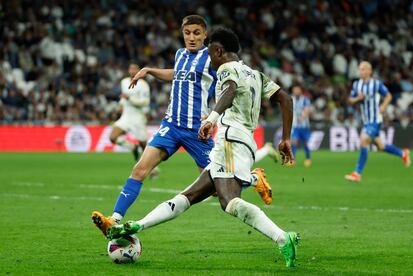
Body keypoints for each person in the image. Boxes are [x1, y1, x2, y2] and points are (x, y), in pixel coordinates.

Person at [107, 28, 299, 268]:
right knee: (190, 195)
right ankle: (136, 226)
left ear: (218, 51)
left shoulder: (227, 69)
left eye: (211, 54)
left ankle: (283, 237)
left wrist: (211, 119)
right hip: (246, 142)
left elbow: (229, 89)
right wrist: (286, 138)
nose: (210, 59)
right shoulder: (256, 74)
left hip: (230, 139)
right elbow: (286, 99)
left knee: (229, 201)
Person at [92, 15, 273, 237]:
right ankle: (114, 219)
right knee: (140, 169)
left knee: (218, 189)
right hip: (171, 126)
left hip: (196, 131)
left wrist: (213, 114)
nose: (191, 37)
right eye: (187, 33)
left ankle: (254, 178)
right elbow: (175, 74)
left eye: (197, 33)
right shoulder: (180, 54)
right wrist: (149, 70)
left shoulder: (212, 59)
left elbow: (229, 85)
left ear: (205, 35)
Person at [345, 61, 411, 182]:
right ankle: (403, 154)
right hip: (366, 120)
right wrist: (357, 99)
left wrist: (384, 106)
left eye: (364, 69)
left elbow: (389, 96)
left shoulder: (376, 84)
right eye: (360, 69)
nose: (361, 71)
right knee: (381, 146)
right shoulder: (356, 85)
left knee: (363, 140)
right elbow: (350, 100)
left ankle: (357, 173)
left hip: (375, 119)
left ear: (369, 71)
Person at [110, 62, 150, 161]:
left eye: (135, 69)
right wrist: (120, 106)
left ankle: (153, 168)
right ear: (128, 70)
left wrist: (129, 99)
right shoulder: (124, 82)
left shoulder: (143, 85)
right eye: (131, 68)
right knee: (113, 137)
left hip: (138, 117)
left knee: (143, 144)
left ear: (139, 71)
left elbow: (145, 102)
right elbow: (124, 97)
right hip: (126, 116)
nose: (132, 71)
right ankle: (132, 147)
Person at [290, 85, 312, 167]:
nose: (296, 91)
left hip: (304, 126)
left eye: (298, 90)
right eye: (295, 90)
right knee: (294, 142)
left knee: (305, 143)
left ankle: (308, 158)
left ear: (300, 91)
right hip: (295, 126)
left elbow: (307, 110)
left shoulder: (305, 100)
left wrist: (302, 118)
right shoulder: (291, 99)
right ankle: (293, 160)